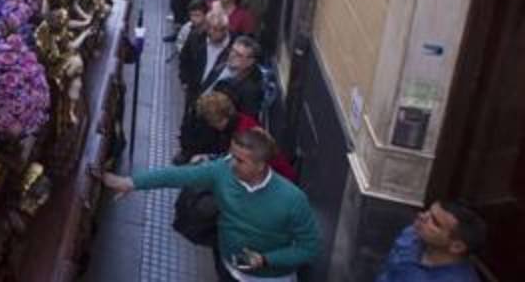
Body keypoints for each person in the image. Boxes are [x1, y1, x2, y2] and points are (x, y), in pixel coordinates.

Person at [98, 128, 320, 281]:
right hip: (227, 267)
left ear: (260, 165)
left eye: (240, 160)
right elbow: (180, 175)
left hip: (269, 278)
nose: (231, 163)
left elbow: (309, 248)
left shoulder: (292, 199)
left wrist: (265, 260)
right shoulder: (222, 170)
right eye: (232, 155)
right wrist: (131, 182)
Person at [183, 92, 298, 182]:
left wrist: (207, 160)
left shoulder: (243, 135)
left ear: (218, 120)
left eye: (211, 122)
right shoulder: (242, 120)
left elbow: (234, 165)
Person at [375, 201, 485, 282]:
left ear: (456, 246)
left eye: (435, 222)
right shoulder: (412, 234)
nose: (422, 216)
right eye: (428, 211)